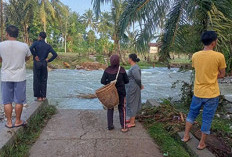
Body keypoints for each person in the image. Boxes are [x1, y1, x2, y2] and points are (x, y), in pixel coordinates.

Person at [182, 31, 226, 150]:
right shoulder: (219, 56)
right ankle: (201, 144)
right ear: (213, 42)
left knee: (191, 114)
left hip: (198, 92)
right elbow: (222, 74)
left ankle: (185, 136)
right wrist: (213, 76)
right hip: (212, 94)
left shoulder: (195, 55)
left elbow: (199, 70)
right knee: (207, 118)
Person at [0, 25, 31, 128]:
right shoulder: (24, 46)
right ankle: (17, 121)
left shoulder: (1, 45)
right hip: (20, 77)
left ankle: (9, 122)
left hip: (6, 76)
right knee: (19, 100)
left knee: (7, 101)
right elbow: (27, 57)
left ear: (7, 34)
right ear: (17, 34)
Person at [101, 54, 129, 132]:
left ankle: (110, 126)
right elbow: (127, 81)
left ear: (110, 61)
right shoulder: (122, 70)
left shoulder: (107, 70)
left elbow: (102, 81)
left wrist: (110, 82)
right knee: (122, 108)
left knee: (110, 108)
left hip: (111, 93)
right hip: (121, 92)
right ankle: (123, 127)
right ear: (118, 61)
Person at [30, 32, 57, 101]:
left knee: (37, 79)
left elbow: (30, 48)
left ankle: (38, 97)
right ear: (45, 38)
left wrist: (35, 55)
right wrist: (48, 60)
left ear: (39, 37)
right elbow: (55, 54)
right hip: (44, 63)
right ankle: (43, 96)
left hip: (37, 63)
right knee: (44, 80)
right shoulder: (48, 46)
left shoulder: (36, 43)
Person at [126, 54, 144, 128]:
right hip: (132, 87)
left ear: (131, 59)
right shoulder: (133, 67)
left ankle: (132, 122)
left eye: (128, 58)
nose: (127, 59)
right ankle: (131, 119)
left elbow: (138, 79)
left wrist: (140, 86)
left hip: (133, 87)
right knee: (130, 102)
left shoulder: (135, 68)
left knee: (132, 102)